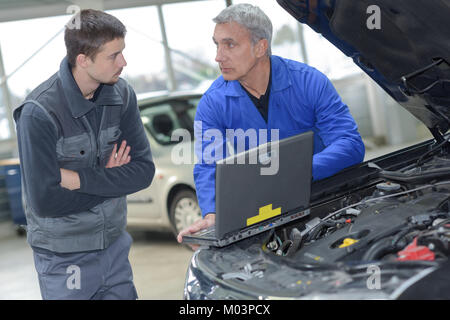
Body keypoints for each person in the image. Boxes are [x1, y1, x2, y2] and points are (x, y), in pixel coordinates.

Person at [177, 3, 365, 246]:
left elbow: (349, 145)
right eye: (217, 44)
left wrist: (296, 172)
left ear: (260, 46)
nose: (218, 56)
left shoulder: (309, 82)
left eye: (230, 44)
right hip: (263, 211)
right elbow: (208, 165)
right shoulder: (212, 103)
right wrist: (213, 214)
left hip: (322, 200)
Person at [13, 9, 155, 299]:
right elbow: (46, 201)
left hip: (115, 246)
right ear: (83, 60)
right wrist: (112, 179)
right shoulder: (38, 113)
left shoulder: (122, 95)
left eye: (122, 52)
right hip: (64, 257)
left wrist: (77, 179)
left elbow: (143, 171)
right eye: (113, 56)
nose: (124, 62)